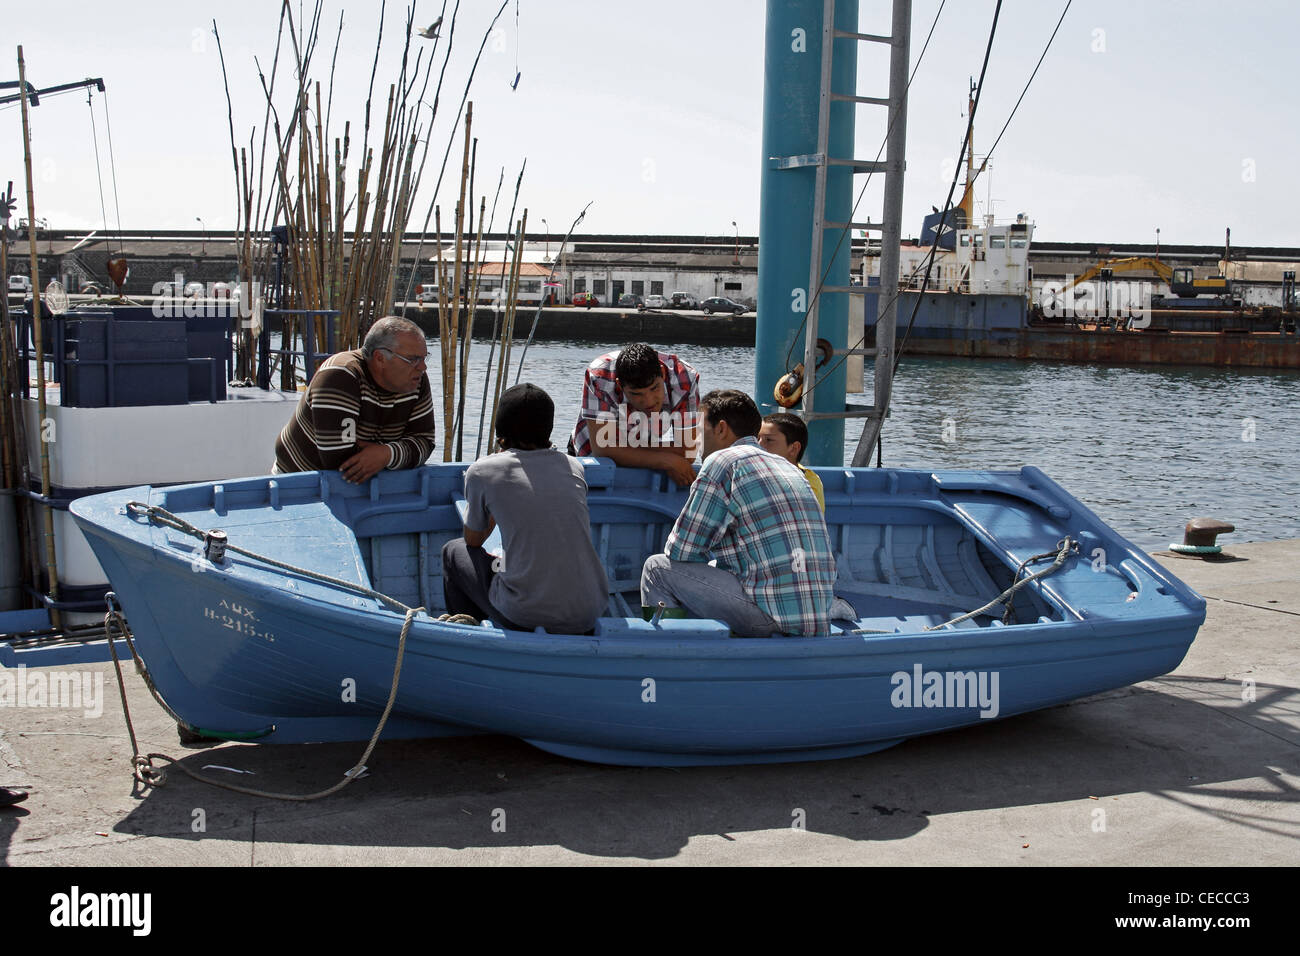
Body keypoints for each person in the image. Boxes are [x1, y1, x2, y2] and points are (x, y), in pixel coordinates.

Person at [641, 389, 836, 637]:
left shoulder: (723, 461)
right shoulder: (789, 468)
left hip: (772, 619)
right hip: (817, 616)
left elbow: (681, 551)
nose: (696, 441)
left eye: (701, 431)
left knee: (657, 569)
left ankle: (669, 655)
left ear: (721, 429)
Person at [442, 383, 609, 633]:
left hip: (526, 614)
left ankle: (468, 631)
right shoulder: (574, 466)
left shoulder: (483, 470)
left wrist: (494, 505)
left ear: (501, 431)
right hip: (589, 611)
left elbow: (473, 540)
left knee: (453, 551)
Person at [273, 316, 436, 482]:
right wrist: (395, 453)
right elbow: (340, 461)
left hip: (368, 487)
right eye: (413, 359)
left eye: (424, 358)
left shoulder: (416, 380)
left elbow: (425, 442)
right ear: (380, 358)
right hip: (297, 484)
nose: (423, 367)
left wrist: (386, 454)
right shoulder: (340, 376)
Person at [568, 343, 698, 487]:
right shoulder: (599, 377)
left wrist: (619, 448)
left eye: (654, 388)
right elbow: (602, 449)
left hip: (644, 451)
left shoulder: (685, 378)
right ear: (619, 385)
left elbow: (688, 450)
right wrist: (667, 460)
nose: (648, 401)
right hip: (588, 457)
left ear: (662, 372)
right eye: (636, 394)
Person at [758, 412, 825, 512]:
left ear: (794, 448)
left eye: (768, 440)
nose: (758, 445)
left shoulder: (807, 485)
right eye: (757, 438)